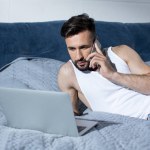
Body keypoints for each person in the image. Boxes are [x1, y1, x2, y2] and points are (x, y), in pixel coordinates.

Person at [58, 13, 150, 119]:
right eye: (72, 49)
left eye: (84, 47)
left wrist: (113, 75)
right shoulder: (68, 73)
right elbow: (71, 118)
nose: (78, 57)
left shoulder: (121, 52)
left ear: (96, 41)